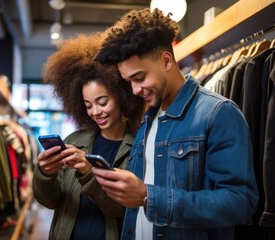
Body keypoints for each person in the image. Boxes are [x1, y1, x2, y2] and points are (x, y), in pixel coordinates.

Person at [92, 8, 259, 240]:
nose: (135, 90)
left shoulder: (218, 113)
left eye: (139, 78)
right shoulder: (147, 117)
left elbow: (239, 202)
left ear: (166, 60)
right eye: (128, 81)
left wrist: (148, 197)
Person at [32, 33, 145, 240]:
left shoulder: (139, 146)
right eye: (88, 105)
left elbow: (121, 209)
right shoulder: (75, 140)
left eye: (102, 102)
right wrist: (45, 174)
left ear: (122, 97)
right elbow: (51, 201)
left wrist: (88, 172)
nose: (95, 112)